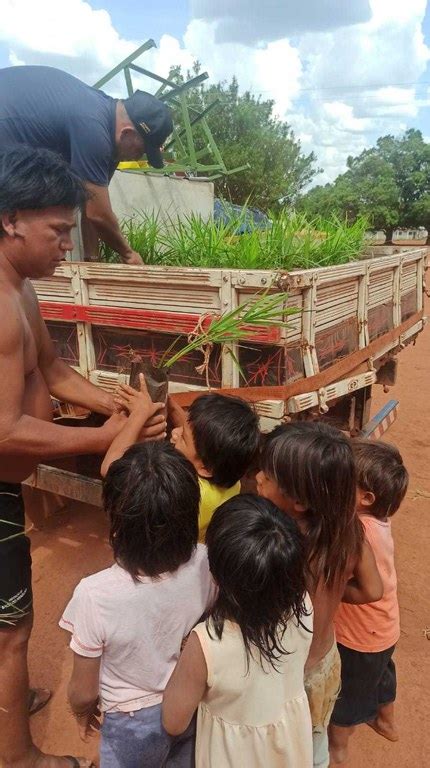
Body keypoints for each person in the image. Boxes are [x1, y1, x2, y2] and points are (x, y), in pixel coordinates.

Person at [0, 146, 166, 768]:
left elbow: (52, 368)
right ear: (11, 219)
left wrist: (115, 406)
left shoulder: (21, 288)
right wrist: (109, 437)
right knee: (13, 632)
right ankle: (19, 760)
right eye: (58, 230)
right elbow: (5, 430)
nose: (68, 244)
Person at [61, 436, 217, 768]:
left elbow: (83, 690)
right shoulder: (208, 562)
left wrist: (81, 712)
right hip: (190, 701)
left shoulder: (94, 594)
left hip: (130, 722)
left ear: (116, 524)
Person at [256, 422, 383, 768]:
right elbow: (373, 589)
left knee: (274, 747)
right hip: (325, 664)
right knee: (313, 747)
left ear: (298, 500)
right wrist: (334, 591)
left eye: (268, 475)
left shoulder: (283, 544)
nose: (258, 478)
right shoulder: (349, 531)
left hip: (285, 670)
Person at [162, 494, 314, 767]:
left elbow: (173, 722)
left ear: (218, 576)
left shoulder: (208, 643)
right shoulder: (302, 604)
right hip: (287, 747)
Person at [0, 65, 173, 264]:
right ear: (127, 133)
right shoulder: (94, 131)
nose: (137, 157)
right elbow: (98, 214)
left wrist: (92, 261)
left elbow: (90, 203)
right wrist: (128, 254)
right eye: (140, 150)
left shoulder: (109, 132)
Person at [329, 440, 409, 765]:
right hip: (385, 630)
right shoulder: (378, 522)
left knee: (343, 698)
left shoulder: (355, 530)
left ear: (366, 498)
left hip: (358, 639)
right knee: (381, 677)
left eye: (342, 481)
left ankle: (338, 752)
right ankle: (386, 721)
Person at [169, 394, 261, 541]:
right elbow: (194, 433)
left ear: (205, 469)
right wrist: (171, 406)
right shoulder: (230, 475)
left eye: (182, 438)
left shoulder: (190, 494)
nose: (175, 433)